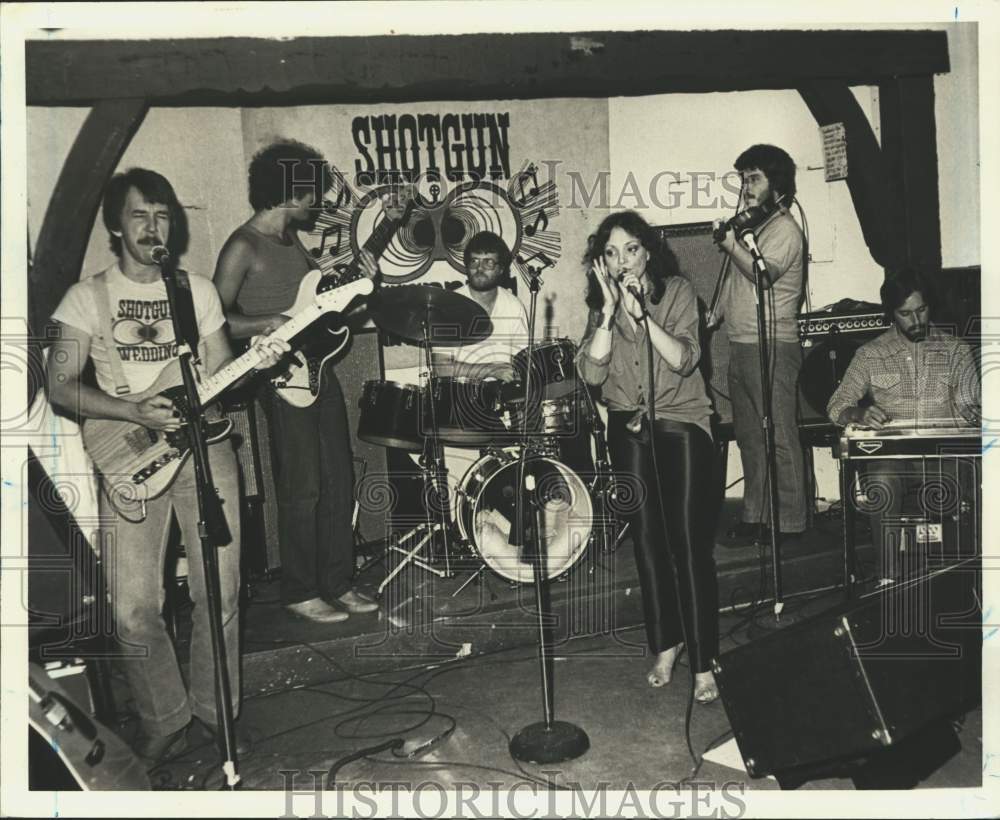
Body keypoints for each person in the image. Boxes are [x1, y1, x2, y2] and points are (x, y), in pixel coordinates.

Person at [45, 168, 289, 765]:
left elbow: (221, 377)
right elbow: (59, 384)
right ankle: (163, 720)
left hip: (206, 448)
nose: (153, 228)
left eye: (162, 216)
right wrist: (130, 409)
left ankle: (215, 713)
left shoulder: (196, 291)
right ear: (115, 225)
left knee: (221, 594)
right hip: (131, 452)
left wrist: (258, 361)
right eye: (140, 215)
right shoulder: (85, 297)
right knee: (133, 607)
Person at [214, 139, 381, 624]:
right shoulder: (244, 245)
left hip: (318, 369)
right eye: (314, 192)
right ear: (292, 190)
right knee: (302, 486)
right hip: (279, 376)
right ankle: (300, 590)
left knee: (338, 480)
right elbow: (211, 322)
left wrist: (364, 288)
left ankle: (337, 582)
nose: (318, 202)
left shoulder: (294, 244)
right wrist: (267, 322)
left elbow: (319, 313)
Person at [577, 210, 719, 702]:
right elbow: (592, 375)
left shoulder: (677, 291)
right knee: (646, 542)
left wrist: (641, 316)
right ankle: (666, 643)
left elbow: (684, 359)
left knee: (688, 544)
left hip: (681, 424)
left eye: (631, 250)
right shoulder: (601, 307)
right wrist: (608, 314)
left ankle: (703, 659)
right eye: (611, 253)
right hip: (627, 427)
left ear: (648, 252)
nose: (623, 262)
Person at [826, 269, 980, 581]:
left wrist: (978, 413)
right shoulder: (870, 354)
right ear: (891, 314)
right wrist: (857, 413)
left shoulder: (956, 350)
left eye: (921, 310)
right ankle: (888, 578)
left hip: (944, 458)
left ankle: (965, 577)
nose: (916, 320)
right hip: (893, 459)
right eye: (905, 314)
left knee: (972, 477)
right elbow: (836, 405)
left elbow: (970, 405)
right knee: (882, 479)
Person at [712, 144, 808, 546]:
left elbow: (762, 276)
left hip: (773, 345)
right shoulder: (756, 227)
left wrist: (730, 244)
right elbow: (737, 280)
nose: (746, 187)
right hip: (742, 344)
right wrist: (715, 313)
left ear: (776, 183)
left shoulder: (785, 229)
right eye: (743, 179)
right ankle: (756, 516)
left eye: (754, 178)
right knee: (751, 438)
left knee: (780, 436)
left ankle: (790, 523)